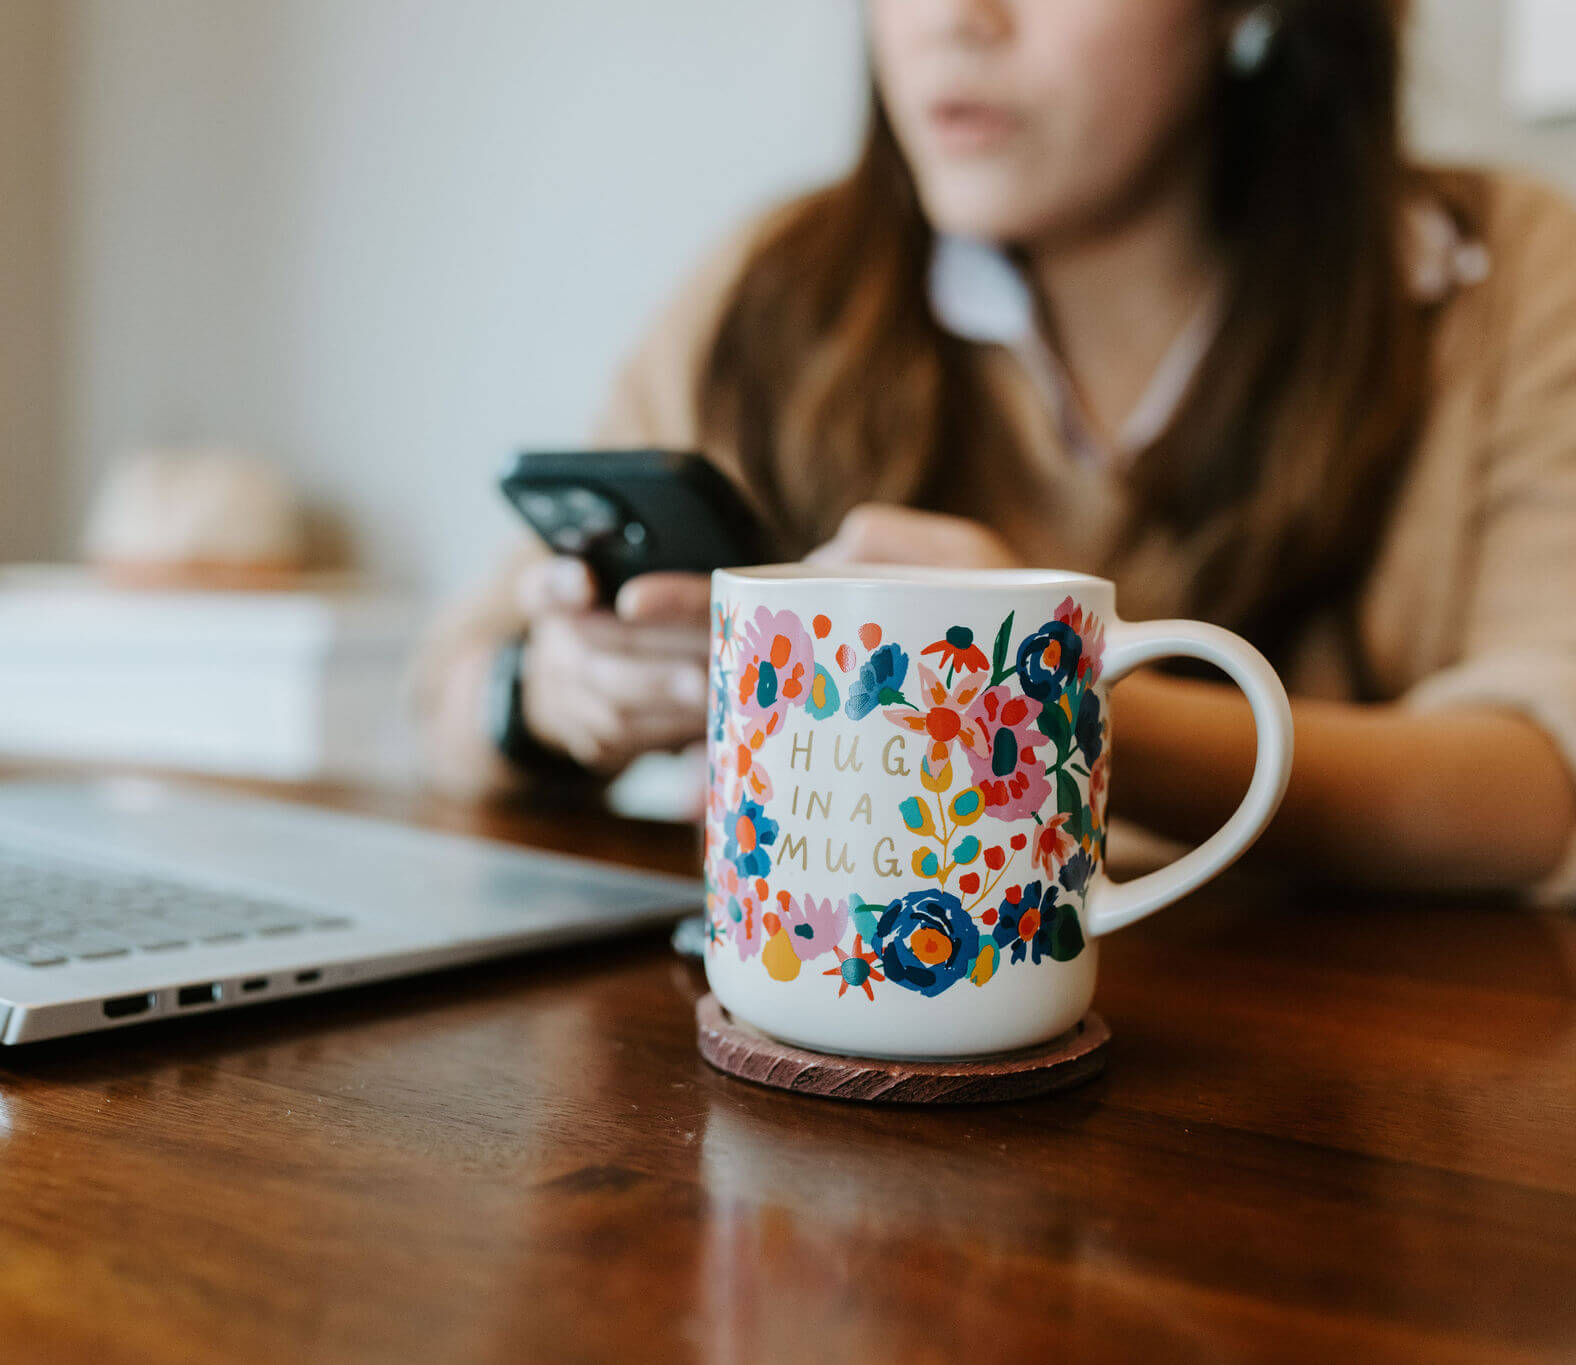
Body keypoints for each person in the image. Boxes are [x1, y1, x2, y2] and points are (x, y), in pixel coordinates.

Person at [418, 0, 1576, 901]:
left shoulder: (1506, 275)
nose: (950, 18)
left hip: (1351, 1110)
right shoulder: (776, 290)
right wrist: (553, 693)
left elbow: (1543, 786)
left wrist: (1042, 686)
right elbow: (448, 688)